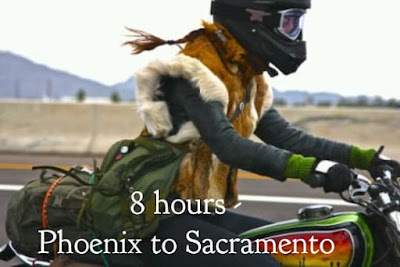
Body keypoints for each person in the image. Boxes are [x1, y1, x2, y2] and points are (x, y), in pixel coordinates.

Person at [62, 0, 400, 266]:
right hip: (155, 215)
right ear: (253, 18)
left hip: (198, 209)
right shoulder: (195, 70)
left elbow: (290, 138)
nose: (294, 34)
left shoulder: (244, 74)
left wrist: (367, 158)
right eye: (289, 22)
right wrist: (313, 169)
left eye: (297, 24)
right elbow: (228, 145)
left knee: (292, 246)